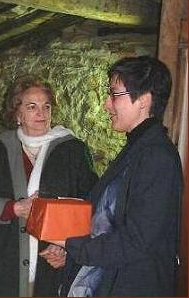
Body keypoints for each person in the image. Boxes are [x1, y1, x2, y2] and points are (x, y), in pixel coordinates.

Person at [51, 56, 183, 297]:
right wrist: (70, 249)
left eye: (114, 95)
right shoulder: (138, 148)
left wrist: (73, 244)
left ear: (144, 100)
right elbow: (108, 220)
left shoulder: (156, 156)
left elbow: (137, 240)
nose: (106, 105)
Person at [0, 76, 98, 297]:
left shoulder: (73, 151)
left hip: (50, 264)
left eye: (46, 106)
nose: (41, 113)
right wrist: (13, 208)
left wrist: (67, 247)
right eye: (32, 107)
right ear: (17, 114)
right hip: (3, 264)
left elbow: (90, 204)